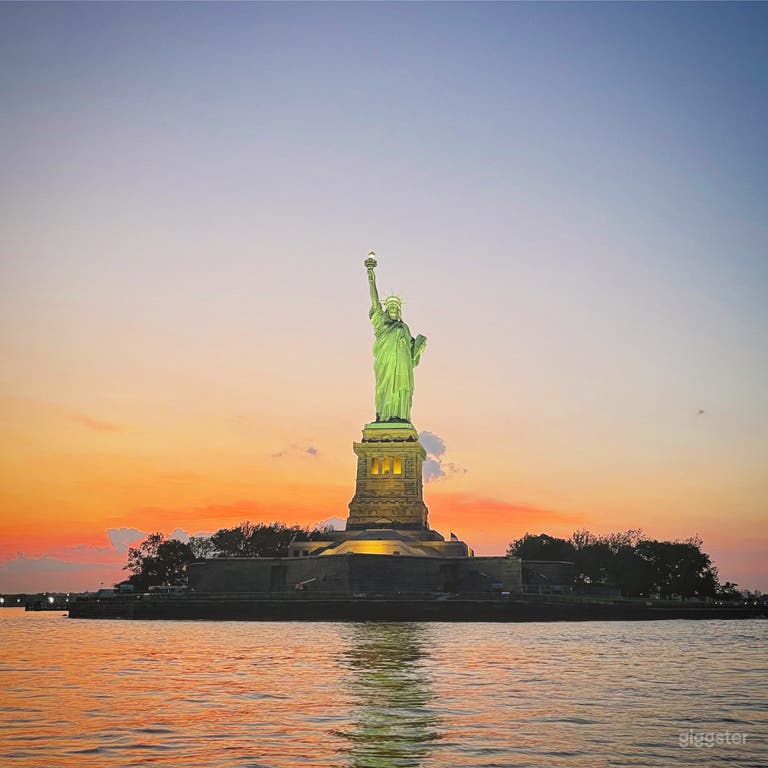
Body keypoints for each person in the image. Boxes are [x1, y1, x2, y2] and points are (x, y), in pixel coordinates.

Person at [365, 253, 427, 422]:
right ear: (386, 311)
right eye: (390, 307)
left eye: (395, 308)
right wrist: (371, 276)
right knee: (384, 389)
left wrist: (419, 347)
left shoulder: (404, 328)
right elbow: (375, 301)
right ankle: (384, 417)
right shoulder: (381, 323)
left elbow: (412, 358)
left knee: (401, 390)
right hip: (386, 363)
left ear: (399, 311)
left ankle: (400, 417)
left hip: (402, 367)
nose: (393, 309)